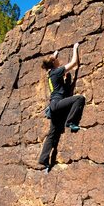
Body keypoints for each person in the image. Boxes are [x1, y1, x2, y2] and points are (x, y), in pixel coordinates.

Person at [38, 42, 85, 171]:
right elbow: (74, 63)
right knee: (79, 99)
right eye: (56, 59)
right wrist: (75, 48)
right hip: (58, 104)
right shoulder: (57, 72)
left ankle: (43, 159)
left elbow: (49, 63)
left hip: (54, 107)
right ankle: (70, 122)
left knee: (53, 134)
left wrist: (55, 54)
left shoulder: (50, 73)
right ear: (53, 63)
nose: (58, 60)